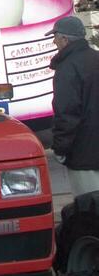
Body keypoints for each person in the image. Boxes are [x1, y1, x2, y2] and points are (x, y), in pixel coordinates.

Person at [48, 14, 99, 196]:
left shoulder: (68, 67)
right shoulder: (95, 58)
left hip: (84, 154)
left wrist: (60, 148)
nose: (54, 42)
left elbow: (67, 113)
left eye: (55, 37)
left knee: (89, 210)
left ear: (64, 39)